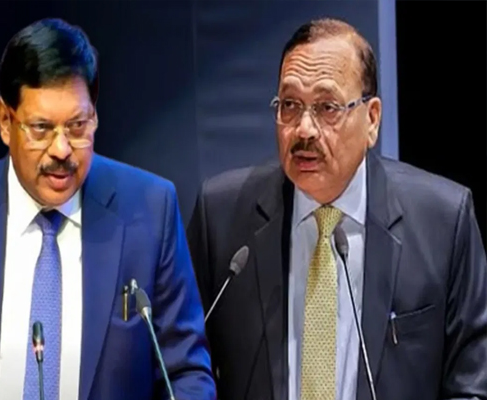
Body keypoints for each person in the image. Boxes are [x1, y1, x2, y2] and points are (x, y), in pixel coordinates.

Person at [0, 18, 215, 400]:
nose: (61, 150)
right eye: (41, 128)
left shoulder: (150, 210)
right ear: (5, 121)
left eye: (77, 126)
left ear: (95, 116)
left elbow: (186, 374)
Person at [187, 18, 487, 400]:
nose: (304, 129)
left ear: (372, 119)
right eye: (290, 105)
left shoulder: (443, 222)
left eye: (327, 107)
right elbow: (183, 364)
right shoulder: (222, 216)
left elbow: (471, 385)